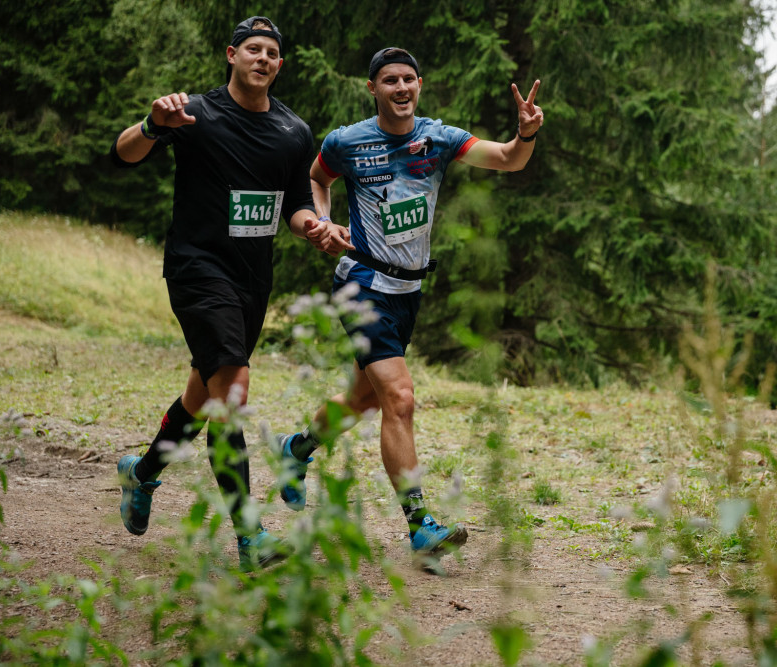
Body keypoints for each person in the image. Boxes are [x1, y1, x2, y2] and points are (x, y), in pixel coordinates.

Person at [273, 46, 543, 561]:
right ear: (372, 88)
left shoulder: (439, 139)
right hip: (363, 283)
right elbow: (315, 179)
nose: (400, 88)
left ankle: (297, 450)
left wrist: (526, 132)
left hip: (408, 291)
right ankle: (420, 526)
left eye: (408, 80)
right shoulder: (347, 141)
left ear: (420, 85)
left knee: (365, 399)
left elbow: (509, 158)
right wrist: (324, 221)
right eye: (389, 80)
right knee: (400, 399)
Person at [110, 16, 329, 572]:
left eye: (272, 52)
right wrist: (153, 124)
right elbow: (123, 153)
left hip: (252, 280)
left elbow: (297, 203)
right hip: (197, 268)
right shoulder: (196, 114)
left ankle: (142, 473)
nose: (262, 58)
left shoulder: (294, 131)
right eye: (252, 49)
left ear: (281, 65)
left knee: (203, 398)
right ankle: (250, 537)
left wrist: (316, 229)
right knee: (232, 393)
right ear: (231, 55)